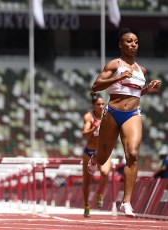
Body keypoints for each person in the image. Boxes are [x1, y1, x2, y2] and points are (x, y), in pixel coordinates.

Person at [89, 28, 162, 218]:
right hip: (113, 112)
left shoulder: (141, 70)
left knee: (133, 154)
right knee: (104, 158)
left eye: (136, 42)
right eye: (129, 41)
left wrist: (148, 89)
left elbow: (135, 93)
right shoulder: (115, 64)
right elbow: (95, 87)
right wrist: (119, 77)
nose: (133, 45)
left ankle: (126, 202)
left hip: (132, 114)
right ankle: (96, 156)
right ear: (121, 44)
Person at [81, 92, 112, 217]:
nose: (101, 106)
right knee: (87, 181)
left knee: (105, 173)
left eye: (102, 104)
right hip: (89, 151)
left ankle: (99, 193)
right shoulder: (89, 117)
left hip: (103, 150)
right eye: (98, 104)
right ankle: (86, 206)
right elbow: (84, 134)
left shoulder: (108, 116)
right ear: (93, 105)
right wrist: (95, 128)